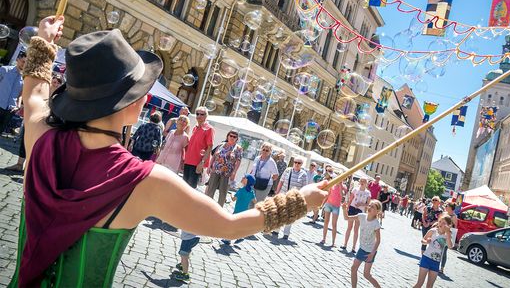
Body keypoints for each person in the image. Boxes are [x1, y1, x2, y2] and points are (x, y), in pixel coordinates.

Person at [10, 18, 328, 287]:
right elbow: (229, 226)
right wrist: (301, 201)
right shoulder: (144, 181)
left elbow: (35, 94)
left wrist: (43, 41)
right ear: (132, 104)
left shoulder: (40, 136)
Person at [413, 216, 455, 288]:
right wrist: (426, 242)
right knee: (419, 283)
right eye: (440, 221)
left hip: (436, 262)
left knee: (430, 286)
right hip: (426, 259)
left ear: (448, 225)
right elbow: (423, 240)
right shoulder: (433, 231)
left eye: (444, 223)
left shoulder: (448, 235)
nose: (441, 224)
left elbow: (450, 246)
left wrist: (448, 232)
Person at [1, 51, 26, 172]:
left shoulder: (24, 79)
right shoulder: (4, 70)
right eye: (23, 61)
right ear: (17, 59)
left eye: (26, 63)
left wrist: (17, 105)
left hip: (10, 109)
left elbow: (20, 95)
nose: (24, 64)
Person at [350, 199, 382, 288]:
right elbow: (347, 218)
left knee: (366, 275)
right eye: (369, 205)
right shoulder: (362, 216)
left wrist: (372, 253)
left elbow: (378, 240)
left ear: (377, 211)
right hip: (362, 249)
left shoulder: (376, 223)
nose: (369, 207)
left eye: (372, 207)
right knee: (353, 268)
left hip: (370, 252)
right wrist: (345, 209)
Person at [275, 156, 308, 239]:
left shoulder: (303, 174)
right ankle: (276, 230)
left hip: (294, 198)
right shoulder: (287, 170)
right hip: (283, 195)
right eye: (295, 162)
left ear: (301, 164)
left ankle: (286, 233)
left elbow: (304, 188)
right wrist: (277, 192)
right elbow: (281, 181)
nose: (296, 164)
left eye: (299, 163)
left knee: (290, 215)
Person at [207, 130, 243, 206]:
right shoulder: (221, 144)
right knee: (210, 189)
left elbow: (238, 161)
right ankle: (208, 206)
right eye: (231, 136)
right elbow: (214, 156)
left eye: (234, 137)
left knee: (223, 192)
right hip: (215, 170)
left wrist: (234, 172)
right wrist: (209, 166)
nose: (232, 138)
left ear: (237, 139)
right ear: (227, 136)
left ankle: (219, 208)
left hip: (227, 173)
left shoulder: (238, 148)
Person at [182, 106, 214, 188]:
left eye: (202, 114)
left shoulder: (209, 129)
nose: (199, 116)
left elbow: (209, 147)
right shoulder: (195, 127)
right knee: (183, 186)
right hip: (188, 161)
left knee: (190, 188)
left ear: (206, 116)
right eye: (197, 114)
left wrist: (202, 163)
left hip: (197, 163)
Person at [222, 174, 257, 245]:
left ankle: (230, 239)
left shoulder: (241, 190)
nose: (242, 178)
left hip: (237, 211)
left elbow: (233, 199)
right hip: (244, 212)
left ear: (247, 181)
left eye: (244, 177)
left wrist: (231, 195)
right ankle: (238, 237)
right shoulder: (251, 192)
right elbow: (255, 201)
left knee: (232, 224)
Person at [342, 178, 371, 253]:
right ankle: (345, 244)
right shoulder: (355, 189)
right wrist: (347, 207)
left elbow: (368, 204)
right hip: (352, 208)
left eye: (364, 181)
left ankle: (354, 247)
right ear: (359, 182)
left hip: (360, 211)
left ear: (366, 183)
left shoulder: (368, 193)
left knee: (356, 229)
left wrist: (361, 204)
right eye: (361, 181)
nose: (362, 182)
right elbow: (350, 199)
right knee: (349, 227)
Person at [321, 172, 345, 247]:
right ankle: (323, 239)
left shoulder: (343, 186)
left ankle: (333, 242)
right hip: (328, 204)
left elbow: (342, 196)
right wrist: (322, 204)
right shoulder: (332, 185)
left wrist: (340, 185)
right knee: (326, 222)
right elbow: (328, 195)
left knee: (334, 224)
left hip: (336, 207)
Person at [440, 202, 459, 274]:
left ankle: (442, 268)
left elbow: (455, 227)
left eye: (447, 206)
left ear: (451, 208)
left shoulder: (454, 217)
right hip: (440, 233)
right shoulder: (444, 213)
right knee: (438, 249)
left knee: (444, 251)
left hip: (447, 235)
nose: (445, 207)